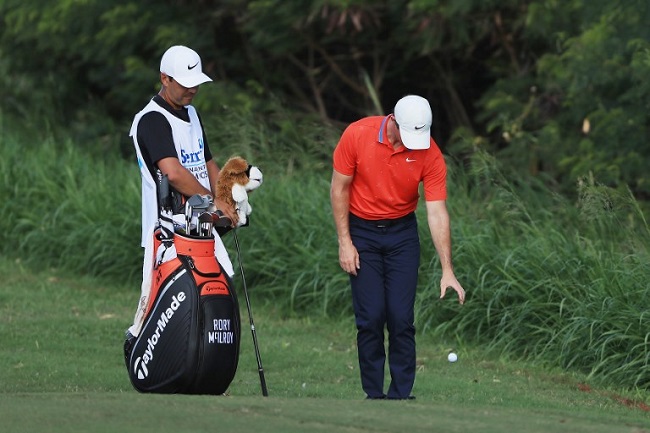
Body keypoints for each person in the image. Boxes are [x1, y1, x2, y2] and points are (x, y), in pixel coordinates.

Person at [330, 95, 466, 400]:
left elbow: (436, 211)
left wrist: (448, 270)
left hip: (402, 235)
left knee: (402, 318)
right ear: (392, 121)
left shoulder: (430, 153)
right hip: (362, 231)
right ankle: (374, 394)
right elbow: (339, 188)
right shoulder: (357, 134)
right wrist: (345, 242)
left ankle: (401, 395)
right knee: (372, 317)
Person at [125, 45, 236, 343]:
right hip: (168, 231)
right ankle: (147, 358)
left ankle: (201, 368)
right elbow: (173, 173)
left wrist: (224, 198)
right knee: (165, 307)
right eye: (186, 84)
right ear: (165, 78)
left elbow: (207, 161)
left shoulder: (192, 113)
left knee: (214, 295)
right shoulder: (150, 120)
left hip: (201, 225)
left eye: (196, 83)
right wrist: (214, 203)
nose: (193, 89)